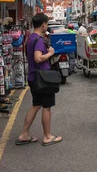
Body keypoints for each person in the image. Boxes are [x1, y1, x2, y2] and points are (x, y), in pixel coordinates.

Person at [16, 13, 63, 146]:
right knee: (46, 107)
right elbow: (38, 58)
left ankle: (24, 134)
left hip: (33, 77)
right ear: (43, 24)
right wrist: (50, 53)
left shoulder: (30, 38)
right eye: (46, 24)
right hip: (42, 78)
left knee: (36, 105)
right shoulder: (39, 40)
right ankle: (47, 137)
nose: (46, 26)